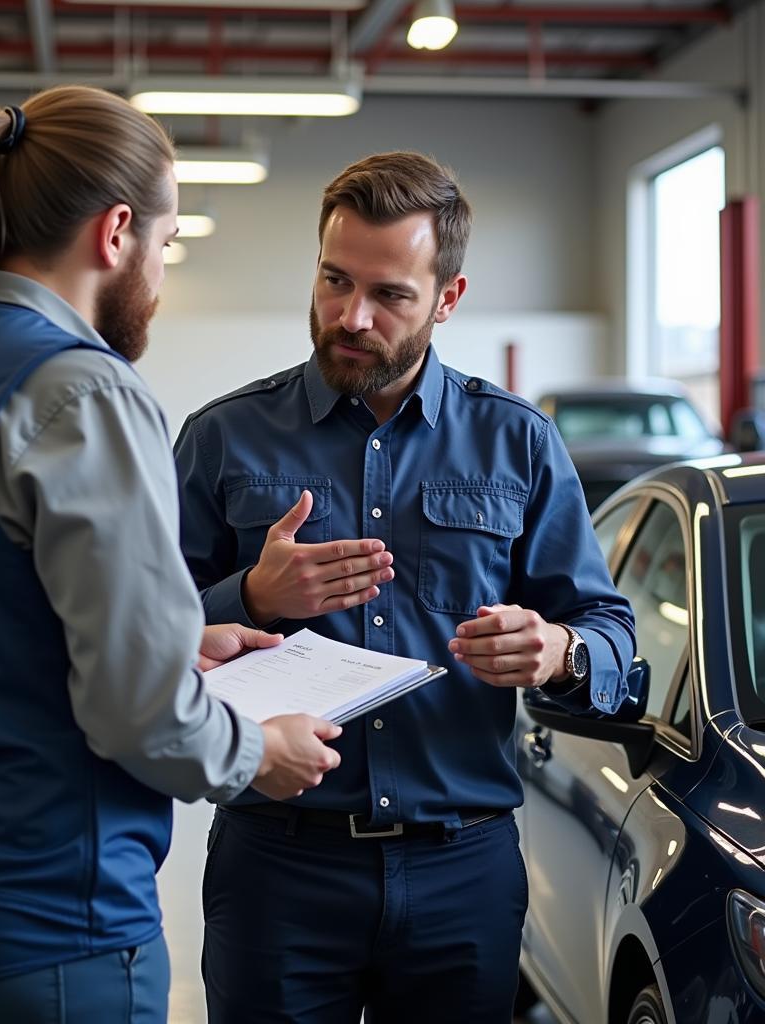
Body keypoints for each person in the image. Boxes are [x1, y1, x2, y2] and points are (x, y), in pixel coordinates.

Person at [0, 86, 342, 1024]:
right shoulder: (80, 389)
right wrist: (258, 747)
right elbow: (140, 718)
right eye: (168, 247)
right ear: (118, 233)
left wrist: (184, 642)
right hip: (41, 923)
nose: (163, 276)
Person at [174, 150, 636, 1023]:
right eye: (334, 280)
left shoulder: (519, 444)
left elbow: (607, 625)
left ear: (448, 299)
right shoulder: (222, 439)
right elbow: (135, 636)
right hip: (279, 865)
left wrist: (561, 650)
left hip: (462, 868)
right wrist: (250, 599)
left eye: (390, 295)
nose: (351, 316)